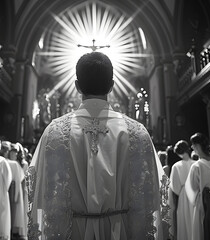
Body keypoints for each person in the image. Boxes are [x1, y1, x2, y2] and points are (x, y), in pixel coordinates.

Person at [28, 52, 165, 239]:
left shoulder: (55, 132)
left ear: (77, 86)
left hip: (71, 231)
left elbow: (43, 194)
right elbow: (149, 198)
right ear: (111, 86)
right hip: (120, 231)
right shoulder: (137, 132)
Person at [185, 132, 210, 240]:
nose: (192, 148)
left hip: (203, 204)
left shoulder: (197, 166)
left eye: (193, 146)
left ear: (197, 146)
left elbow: (191, 188)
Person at [169, 140, 196, 240]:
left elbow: (174, 186)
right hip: (195, 193)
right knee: (194, 218)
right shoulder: (195, 163)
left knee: (184, 220)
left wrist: (180, 191)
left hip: (184, 194)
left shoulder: (176, 166)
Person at [6, 141, 27, 239]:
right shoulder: (9, 162)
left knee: (18, 208)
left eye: (15, 152)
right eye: (12, 152)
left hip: (20, 188)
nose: (13, 154)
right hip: (11, 188)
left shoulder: (21, 164)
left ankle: (16, 230)